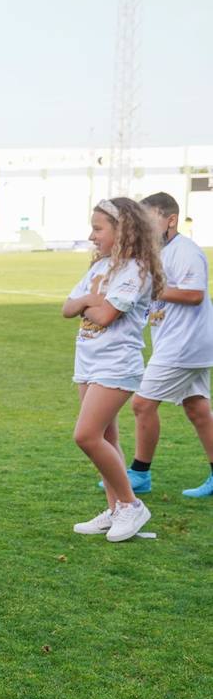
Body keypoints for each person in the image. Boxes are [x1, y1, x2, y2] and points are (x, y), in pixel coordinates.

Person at [64, 197, 161, 542]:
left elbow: (106, 316)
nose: (92, 236)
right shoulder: (100, 266)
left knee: (86, 436)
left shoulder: (135, 270)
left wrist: (88, 304)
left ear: (122, 230)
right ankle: (116, 508)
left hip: (116, 362)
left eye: (98, 229)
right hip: (88, 361)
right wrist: (89, 301)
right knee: (106, 438)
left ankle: (131, 505)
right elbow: (67, 308)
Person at [128, 193, 213, 498]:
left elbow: (194, 294)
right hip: (179, 342)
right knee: (197, 409)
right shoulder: (155, 253)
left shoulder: (186, 251)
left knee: (142, 404)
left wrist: (149, 289)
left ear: (171, 220)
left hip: (184, 344)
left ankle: (140, 473)